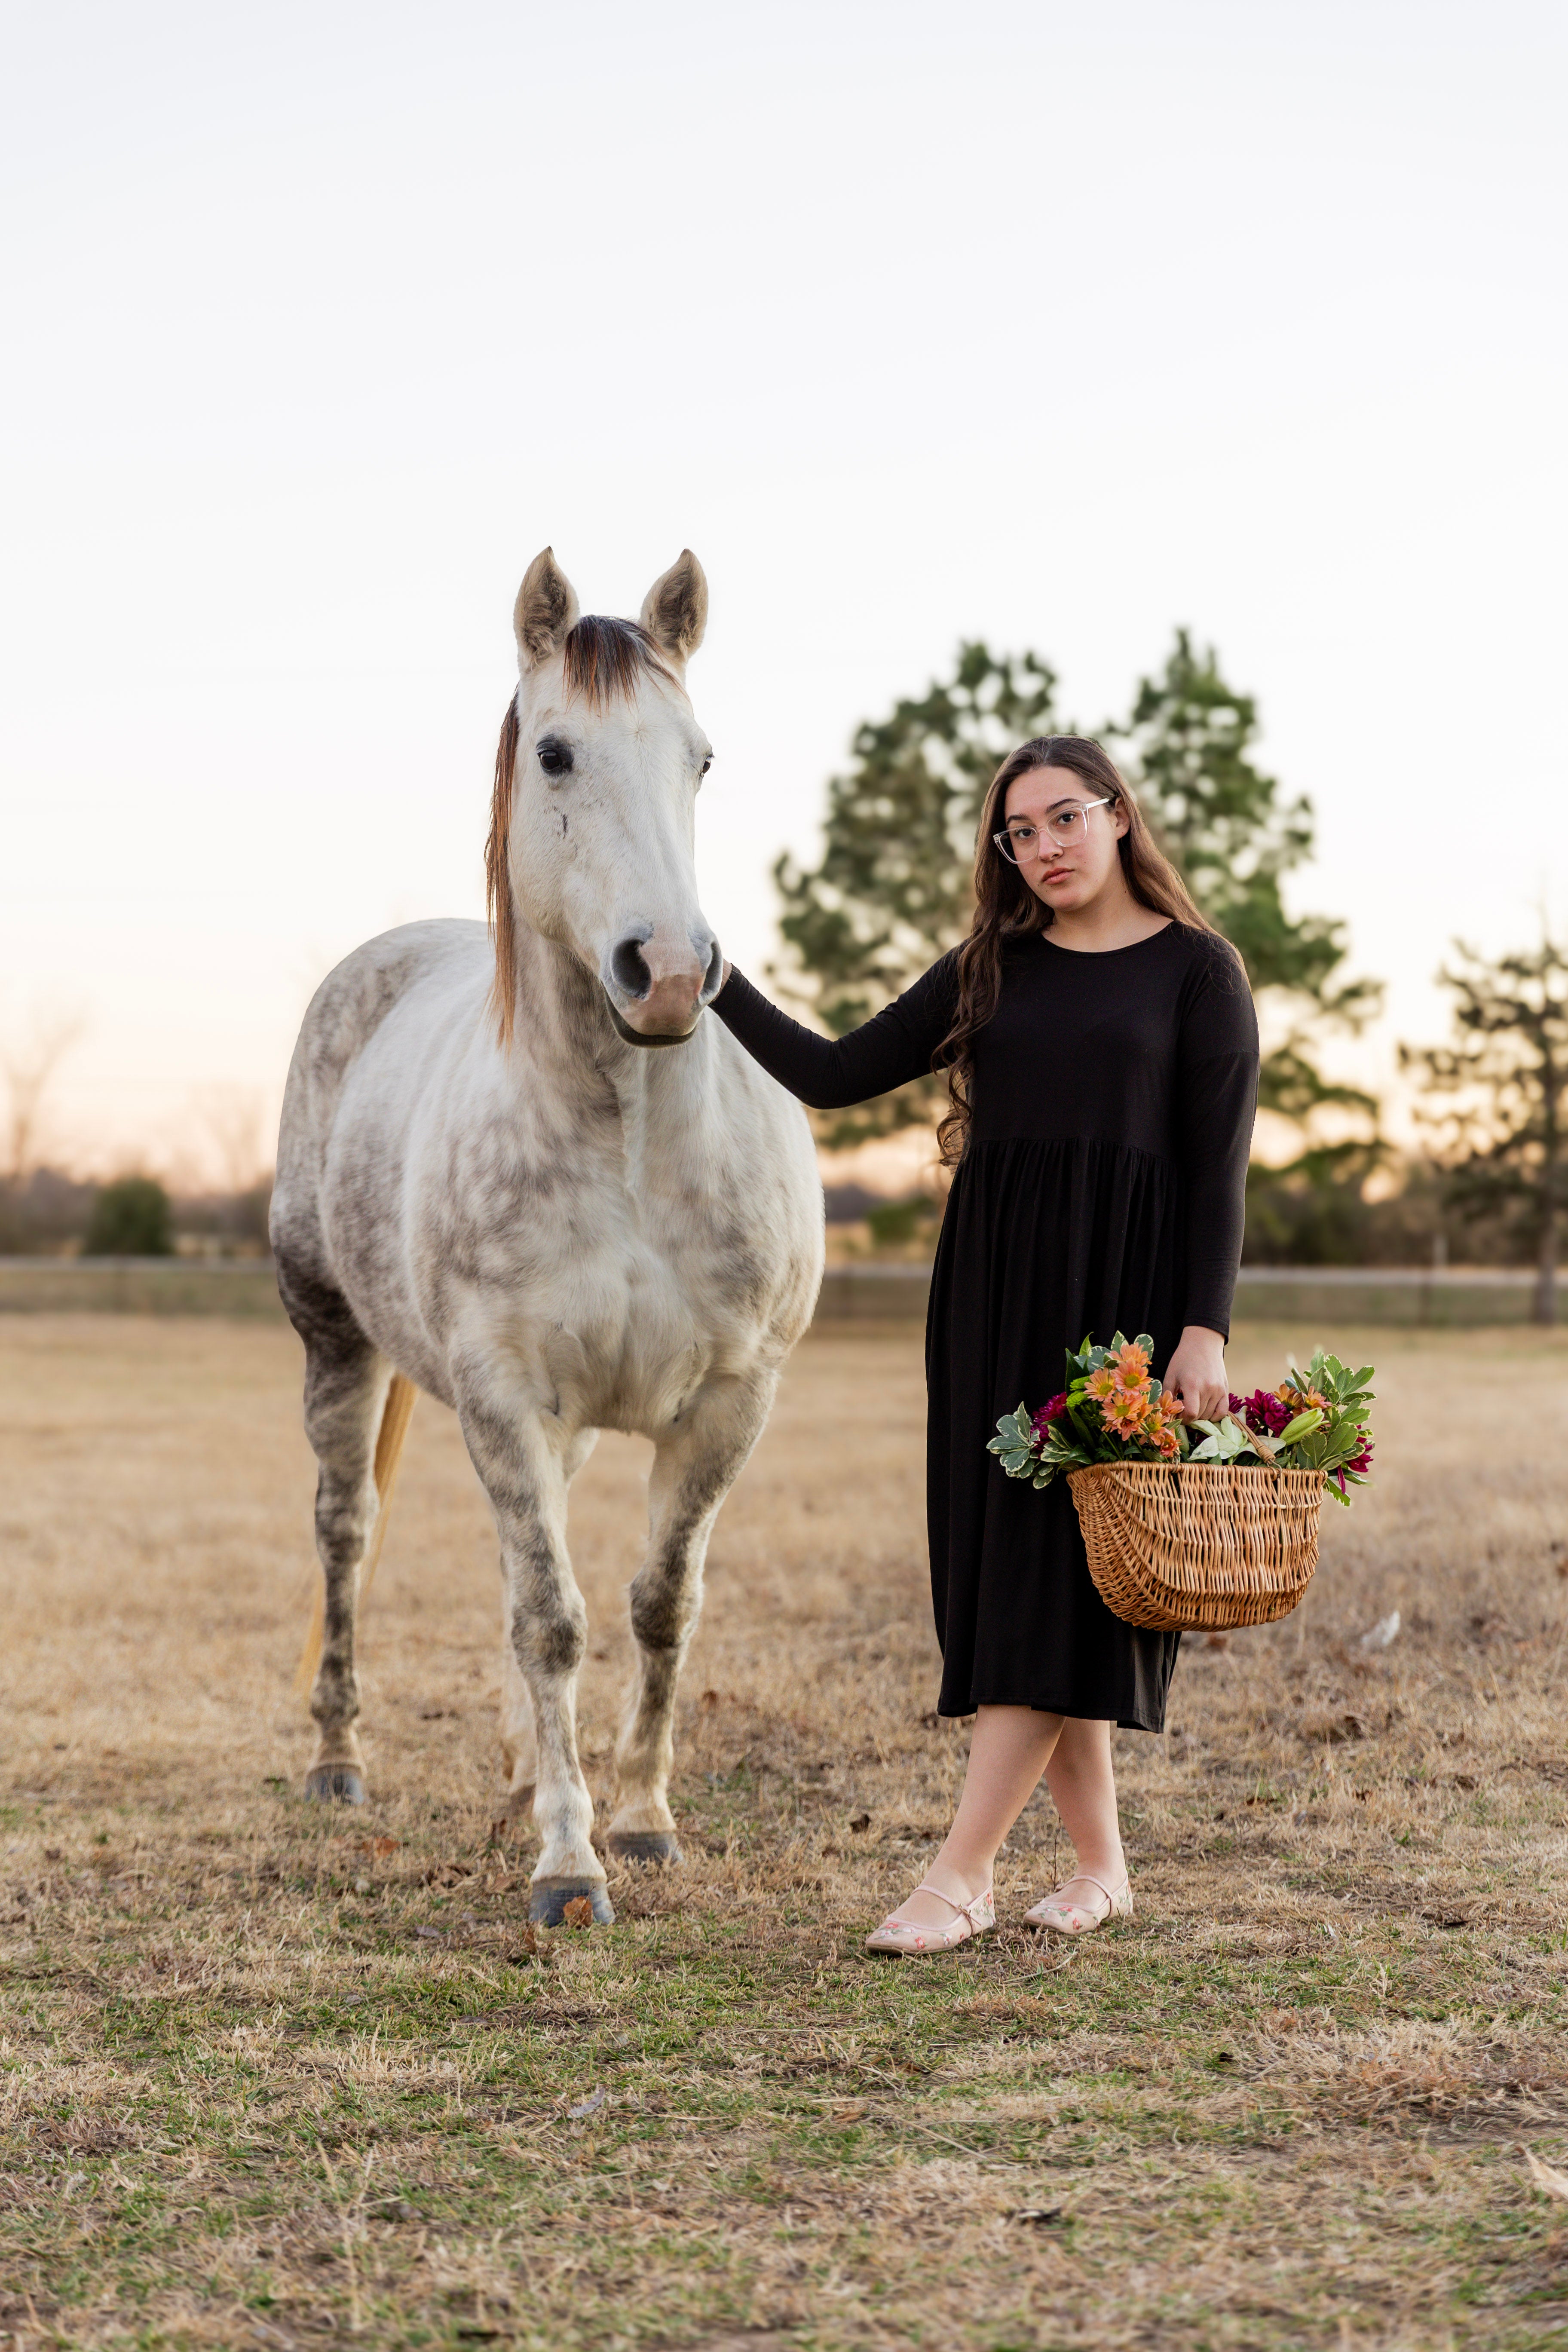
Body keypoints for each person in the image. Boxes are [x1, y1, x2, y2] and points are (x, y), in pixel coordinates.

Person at [712, 735, 1259, 1956]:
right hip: (990, 1300)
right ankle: (1103, 1869)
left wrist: (1202, 1327)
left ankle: (959, 1875)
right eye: (1020, 833)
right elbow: (837, 1071)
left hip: (1118, 1318)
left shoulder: (1198, 973)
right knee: (1013, 1579)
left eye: (1065, 819)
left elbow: (1218, 1171)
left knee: (1054, 1589)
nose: (1045, 848)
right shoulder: (990, 969)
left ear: (1119, 818)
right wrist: (714, 978)